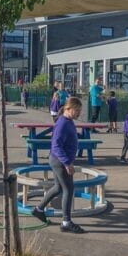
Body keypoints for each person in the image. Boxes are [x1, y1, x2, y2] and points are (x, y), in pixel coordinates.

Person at [30, 97, 86, 234]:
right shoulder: (62, 123)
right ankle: (66, 222)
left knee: (58, 187)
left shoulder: (68, 121)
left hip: (59, 160)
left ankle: (38, 209)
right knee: (68, 189)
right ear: (68, 108)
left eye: (79, 110)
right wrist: (67, 163)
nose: (78, 113)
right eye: (76, 110)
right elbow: (56, 146)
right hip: (60, 161)